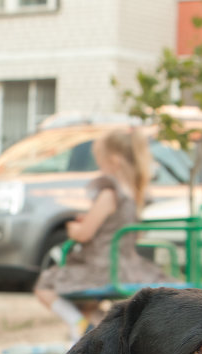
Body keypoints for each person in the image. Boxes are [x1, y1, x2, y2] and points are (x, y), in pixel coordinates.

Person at [34, 127, 167, 341]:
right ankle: (95, 333)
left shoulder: (109, 192)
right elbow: (135, 234)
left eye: (100, 161)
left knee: (44, 286)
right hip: (128, 266)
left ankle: (76, 323)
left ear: (114, 161)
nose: (100, 167)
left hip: (99, 267)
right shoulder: (135, 193)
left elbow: (85, 234)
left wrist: (74, 228)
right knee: (88, 306)